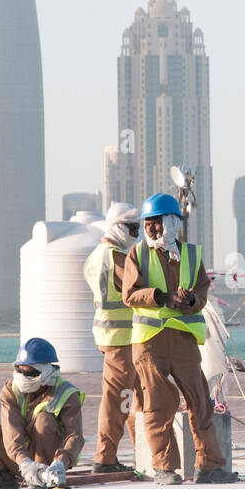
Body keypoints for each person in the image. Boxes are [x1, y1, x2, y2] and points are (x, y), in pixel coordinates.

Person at [122, 192, 237, 485]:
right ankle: (165, 469)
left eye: (156, 222)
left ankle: (210, 467)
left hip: (184, 341)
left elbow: (201, 292)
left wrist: (190, 301)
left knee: (200, 403)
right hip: (151, 341)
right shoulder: (138, 254)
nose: (151, 228)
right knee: (159, 406)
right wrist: (162, 297)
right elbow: (129, 295)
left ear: (173, 223)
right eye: (148, 223)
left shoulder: (191, 255)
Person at [0, 337, 85, 489]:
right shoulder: (11, 389)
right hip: (19, 459)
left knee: (44, 420)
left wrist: (61, 463)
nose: (22, 376)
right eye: (19, 370)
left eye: (28, 373)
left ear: (47, 373)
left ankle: (42, 480)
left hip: (48, 462)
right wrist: (24, 462)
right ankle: (3, 477)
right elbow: (11, 431)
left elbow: (74, 436)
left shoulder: (66, 393)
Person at [84, 202, 143, 473]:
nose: (137, 233)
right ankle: (105, 458)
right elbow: (141, 290)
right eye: (132, 228)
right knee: (118, 400)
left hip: (110, 336)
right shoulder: (117, 258)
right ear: (118, 227)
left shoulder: (94, 256)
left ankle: (145, 452)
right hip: (122, 340)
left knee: (137, 399)